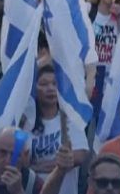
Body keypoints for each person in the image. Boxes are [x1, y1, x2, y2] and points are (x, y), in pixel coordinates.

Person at [24, 66, 88, 194]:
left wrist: (42, 166)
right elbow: (22, 163)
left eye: (55, 83)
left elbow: (80, 155)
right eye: (44, 84)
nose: (50, 88)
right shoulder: (26, 124)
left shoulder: (71, 119)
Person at [0, 126, 43, 194]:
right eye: (2, 152)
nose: (8, 161)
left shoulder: (33, 183)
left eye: (16, 155)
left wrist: (18, 191)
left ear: (25, 156)